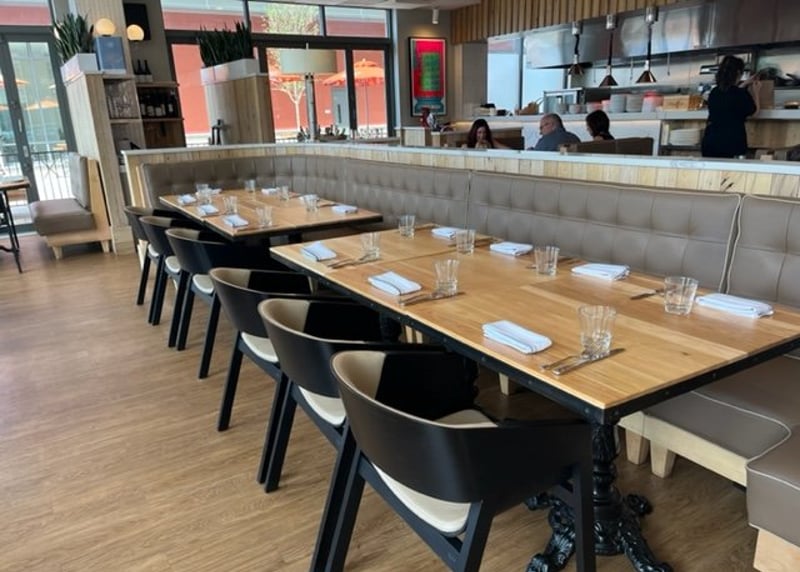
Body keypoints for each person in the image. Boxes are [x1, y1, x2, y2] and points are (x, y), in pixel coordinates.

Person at [701, 55, 761, 159]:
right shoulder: (740, 94)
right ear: (738, 73)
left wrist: (745, 83)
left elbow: (730, 94)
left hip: (710, 144)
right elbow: (755, 113)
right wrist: (756, 92)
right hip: (732, 145)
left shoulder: (714, 92)